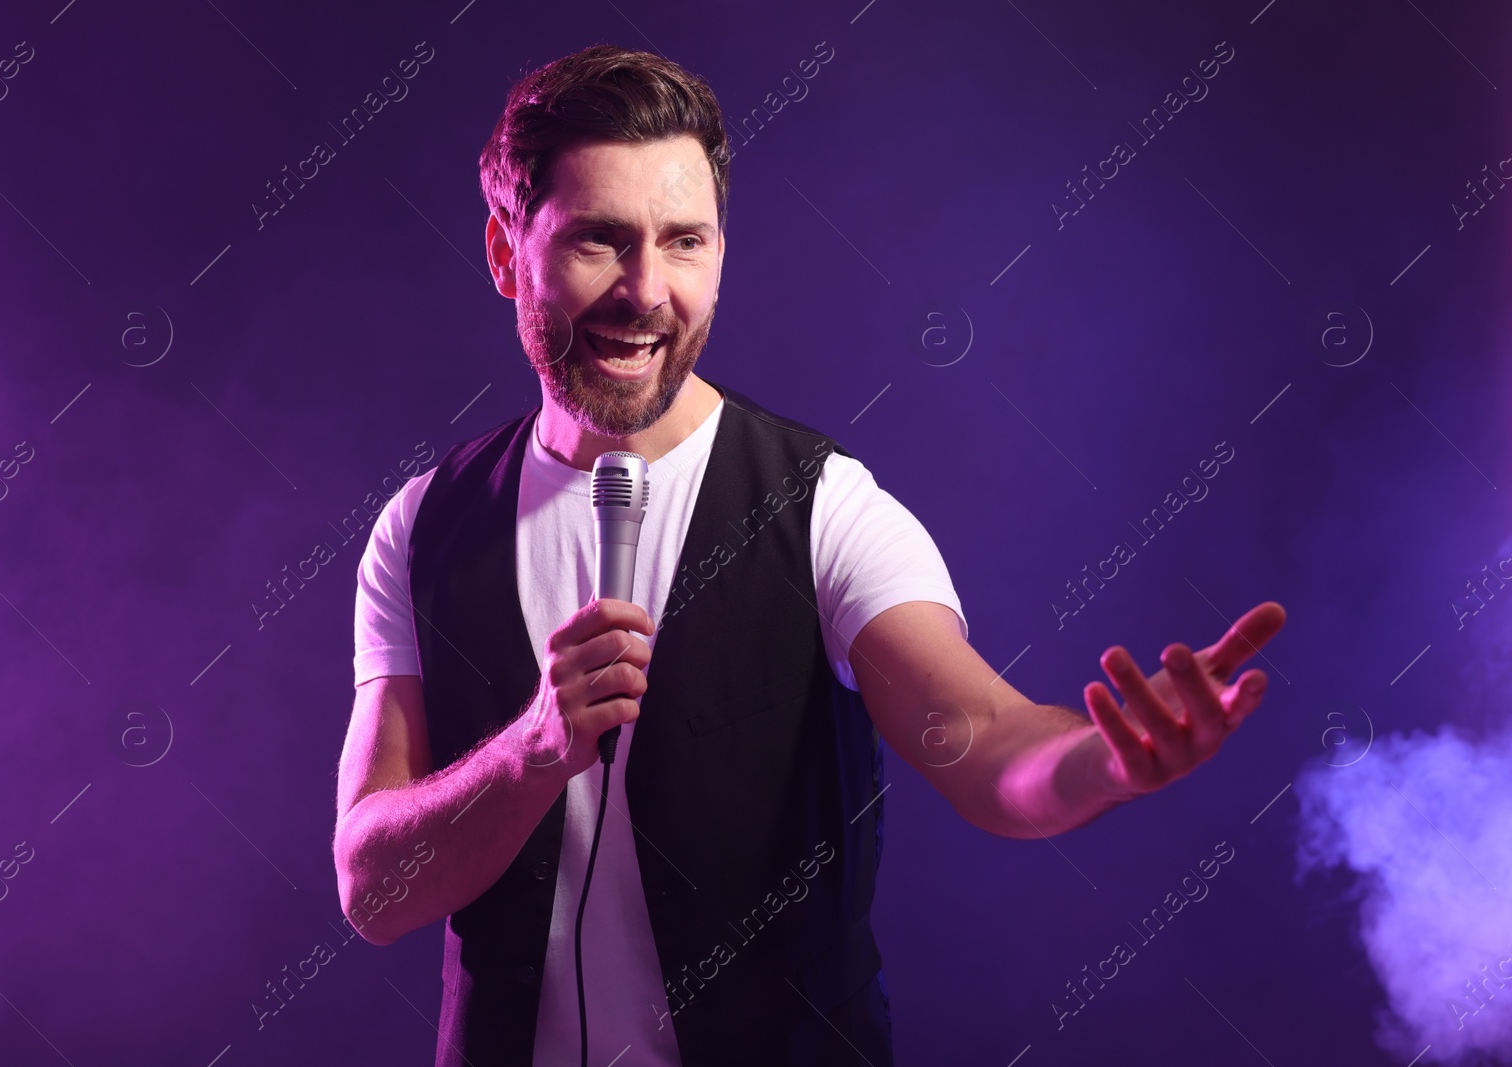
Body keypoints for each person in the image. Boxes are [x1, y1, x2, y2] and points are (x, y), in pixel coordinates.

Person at [331, 44, 1285, 1067]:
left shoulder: (823, 506)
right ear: (505, 251)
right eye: (600, 241)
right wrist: (530, 749)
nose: (647, 291)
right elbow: (372, 889)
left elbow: (982, 737)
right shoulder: (422, 523)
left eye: (685, 241)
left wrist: (1102, 762)